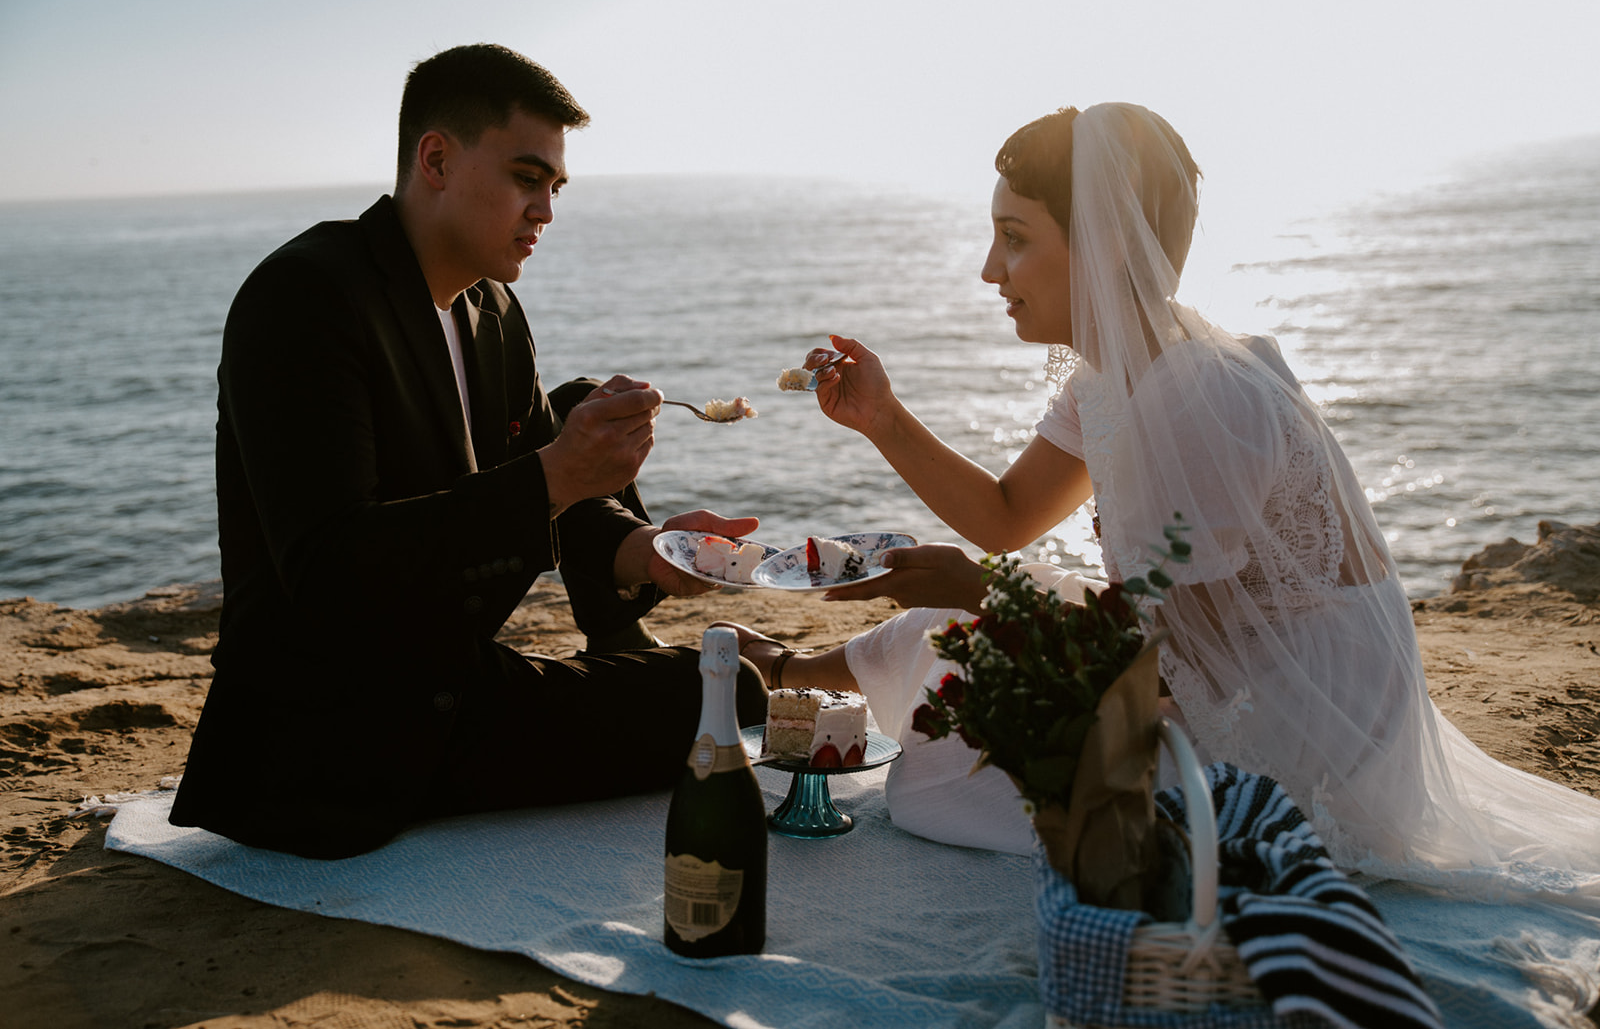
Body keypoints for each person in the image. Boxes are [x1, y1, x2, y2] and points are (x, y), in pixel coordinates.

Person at [724, 102, 1600, 903]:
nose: (990, 268)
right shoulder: (1116, 371)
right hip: (1226, 668)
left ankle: (806, 686)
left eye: (1015, 237)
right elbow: (1005, 514)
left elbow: (1167, 659)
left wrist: (982, 592)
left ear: (1102, 243)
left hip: (1307, 722)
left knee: (934, 778)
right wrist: (882, 419)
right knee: (946, 648)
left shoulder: (1200, 395)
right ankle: (790, 676)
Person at [170, 44, 766, 859]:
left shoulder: (491, 309)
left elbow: (546, 486)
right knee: (702, 700)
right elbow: (330, 566)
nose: (546, 212)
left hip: (454, 684)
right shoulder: (305, 295)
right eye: (527, 178)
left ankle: (618, 640)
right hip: (324, 732)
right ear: (437, 159)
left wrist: (646, 553)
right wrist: (557, 474)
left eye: (555, 188)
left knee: (721, 692)